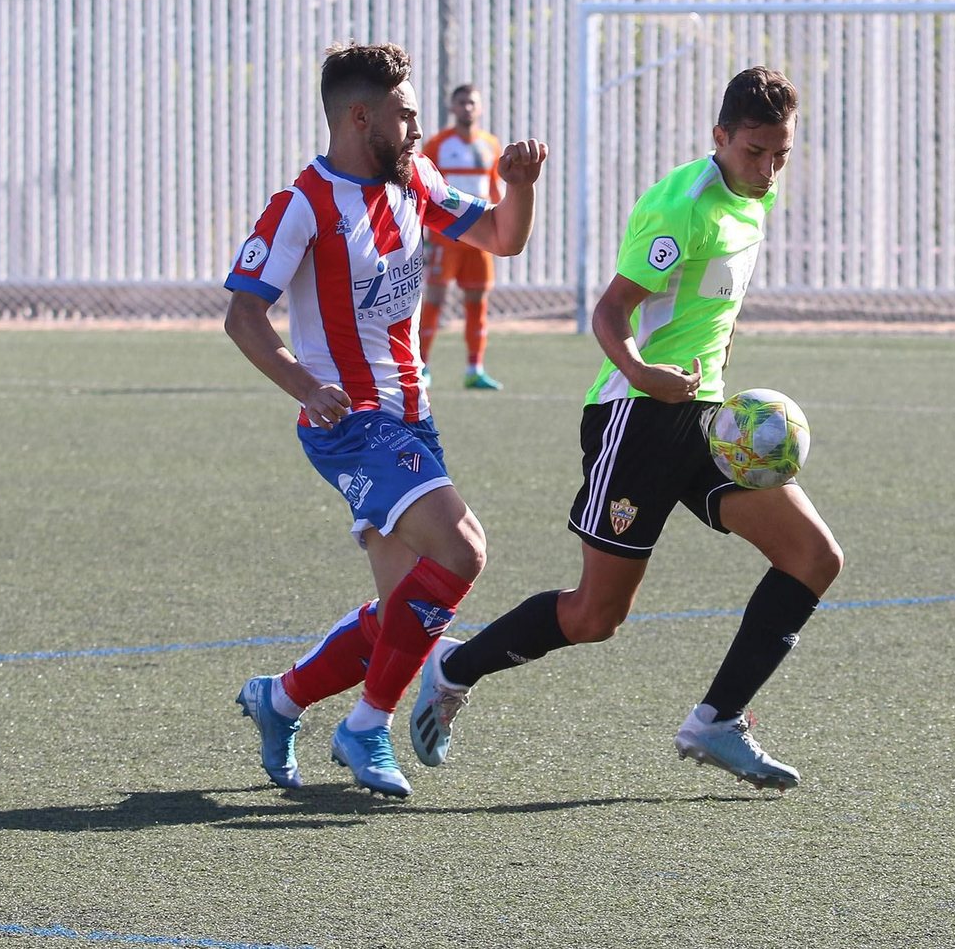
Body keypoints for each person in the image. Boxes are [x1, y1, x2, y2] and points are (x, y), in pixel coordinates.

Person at [407, 66, 843, 791]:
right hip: (634, 419)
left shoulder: (754, 200)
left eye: (780, 155)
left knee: (813, 557)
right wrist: (643, 376)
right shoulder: (683, 208)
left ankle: (717, 720)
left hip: (706, 422)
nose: (767, 170)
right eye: (754, 153)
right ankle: (453, 667)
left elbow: (714, 315)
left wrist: (715, 390)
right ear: (721, 138)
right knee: (594, 616)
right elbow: (611, 314)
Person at [223, 42, 547, 798]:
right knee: (464, 551)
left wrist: (521, 187)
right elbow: (243, 316)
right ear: (359, 117)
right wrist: (305, 384)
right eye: (405, 115)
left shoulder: (417, 177)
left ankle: (280, 699)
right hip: (349, 423)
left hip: (412, 413)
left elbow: (502, 235)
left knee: (406, 611)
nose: (416, 128)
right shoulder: (302, 203)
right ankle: (366, 727)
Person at [419, 84, 506, 390]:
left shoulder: (490, 145)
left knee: (477, 299)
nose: (467, 108)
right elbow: (424, 189)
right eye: (461, 102)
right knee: (434, 298)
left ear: (479, 108)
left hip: (480, 236)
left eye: (472, 102)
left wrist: (500, 226)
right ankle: (422, 367)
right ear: (452, 108)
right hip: (445, 236)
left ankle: (475, 368)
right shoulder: (437, 145)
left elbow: (495, 189)